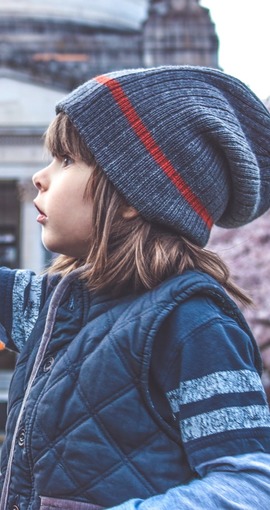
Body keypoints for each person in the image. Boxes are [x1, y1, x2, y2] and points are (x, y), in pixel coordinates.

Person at [0, 66, 270, 510]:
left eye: (66, 160)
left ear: (130, 196)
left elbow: (252, 486)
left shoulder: (193, 322)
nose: (40, 177)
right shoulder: (59, 306)